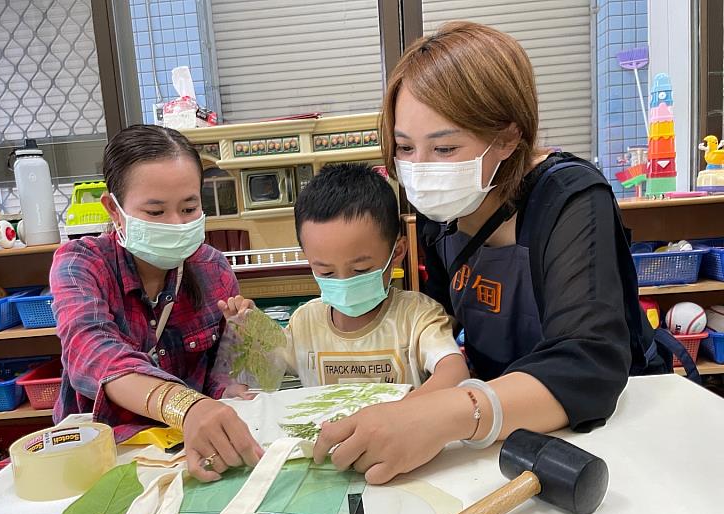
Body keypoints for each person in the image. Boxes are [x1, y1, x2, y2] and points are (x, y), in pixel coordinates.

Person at [310, 21, 669, 485]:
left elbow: (589, 363)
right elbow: (440, 323)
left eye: (444, 147)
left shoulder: (570, 198)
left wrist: (449, 414)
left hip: (602, 426)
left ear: (507, 136)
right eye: (404, 147)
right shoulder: (443, 211)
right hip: (500, 428)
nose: (420, 170)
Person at [51, 124, 261, 482]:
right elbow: (92, 351)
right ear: (114, 210)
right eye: (156, 212)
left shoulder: (212, 268)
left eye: (189, 207)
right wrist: (186, 405)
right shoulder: (81, 263)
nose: (177, 224)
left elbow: (216, 377)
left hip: (187, 452)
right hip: (104, 457)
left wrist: (242, 352)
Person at [221, 162, 468, 394]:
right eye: (326, 272)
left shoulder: (417, 317)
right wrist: (250, 335)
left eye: (360, 270)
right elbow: (262, 378)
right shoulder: (306, 323)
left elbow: (454, 371)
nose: (343, 283)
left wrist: (398, 416)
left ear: (397, 252)